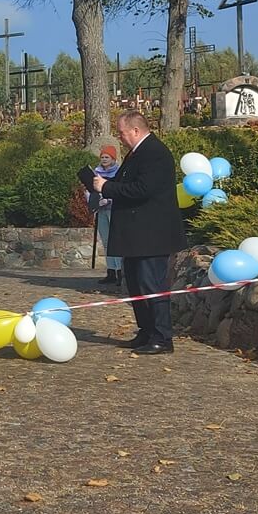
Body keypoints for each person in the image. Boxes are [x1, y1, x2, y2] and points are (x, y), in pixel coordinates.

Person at [92, 110, 189, 354]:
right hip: (136, 235)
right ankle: (146, 331)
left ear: (135, 131)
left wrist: (107, 187)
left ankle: (162, 337)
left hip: (152, 234)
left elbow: (142, 189)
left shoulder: (155, 153)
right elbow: (128, 183)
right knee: (136, 285)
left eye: (122, 132)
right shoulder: (137, 154)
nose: (120, 137)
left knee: (151, 284)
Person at [89, 145, 123, 287]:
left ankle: (120, 271)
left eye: (106, 157)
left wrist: (109, 199)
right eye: (102, 157)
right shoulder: (96, 173)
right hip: (101, 210)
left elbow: (119, 189)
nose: (104, 159)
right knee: (106, 240)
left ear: (113, 158)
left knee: (116, 241)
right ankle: (111, 271)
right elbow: (90, 191)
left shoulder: (118, 172)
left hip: (114, 209)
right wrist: (95, 203)